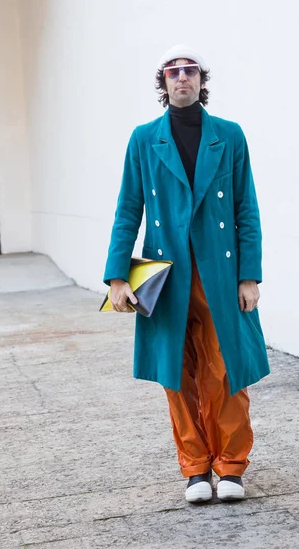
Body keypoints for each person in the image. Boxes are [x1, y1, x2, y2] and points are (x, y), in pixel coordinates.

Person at [103, 44, 270, 503]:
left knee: (226, 371)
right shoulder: (143, 138)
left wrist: (249, 275)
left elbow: (245, 208)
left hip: (221, 271)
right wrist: (118, 276)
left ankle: (231, 468)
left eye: (190, 70)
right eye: (173, 71)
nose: (182, 77)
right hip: (165, 275)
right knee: (177, 375)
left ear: (201, 79)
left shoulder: (229, 136)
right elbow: (128, 208)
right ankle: (196, 470)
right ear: (163, 81)